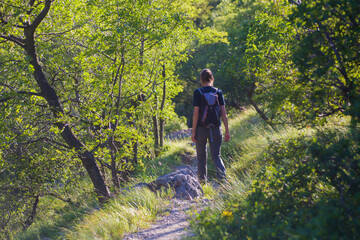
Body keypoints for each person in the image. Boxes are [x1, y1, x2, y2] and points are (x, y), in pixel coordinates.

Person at [191, 68, 230, 183]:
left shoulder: (197, 93)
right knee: (216, 157)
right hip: (216, 129)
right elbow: (224, 114)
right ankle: (223, 182)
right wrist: (227, 130)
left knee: (201, 158)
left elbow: (196, 114)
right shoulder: (218, 92)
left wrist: (193, 132)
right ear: (212, 78)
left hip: (201, 130)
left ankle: (202, 184)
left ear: (201, 80)